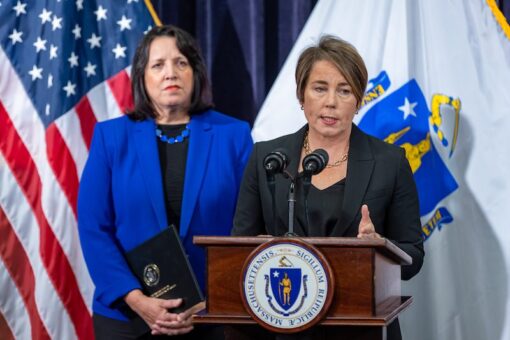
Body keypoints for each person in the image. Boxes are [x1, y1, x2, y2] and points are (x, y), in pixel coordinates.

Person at [232, 36, 424, 340]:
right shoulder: (266, 158)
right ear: (301, 95)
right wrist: (261, 250)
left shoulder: (390, 162)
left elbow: (413, 255)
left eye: (344, 90)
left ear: (359, 100)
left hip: (361, 328)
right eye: (320, 88)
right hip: (281, 324)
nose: (331, 102)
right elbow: (237, 247)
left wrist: (379, 248)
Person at [78, 25, 253, 339]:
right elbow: (94, 229)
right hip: (127, 317)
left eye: (181, 63)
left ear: (195, 73)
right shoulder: (110, 138)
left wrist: (211, 299)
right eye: (158, 65)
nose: (170, 72)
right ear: (143, 78)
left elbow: (248, 225)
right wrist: (136, 300)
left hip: (211, 313)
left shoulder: (234, 136)